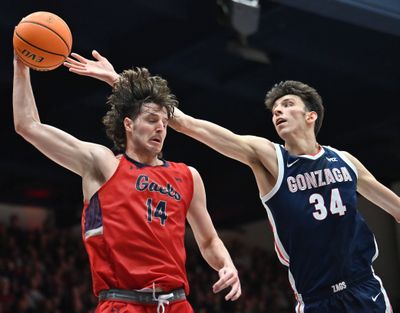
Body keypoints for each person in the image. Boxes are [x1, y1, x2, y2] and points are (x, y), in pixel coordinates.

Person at [63, 50, 400, 313]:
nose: (278, 112)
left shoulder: (345, 161)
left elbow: (394, 208)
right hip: (317, 297)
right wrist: (117, 82)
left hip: (365, 287)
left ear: (311, 115)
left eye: (287, 105)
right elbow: (186, 123)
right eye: (274, 109)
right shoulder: (268, 157)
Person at [13, 52, 241, 313]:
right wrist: (21, 65)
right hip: (121, 303)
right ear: (129, 125)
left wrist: (226, 263)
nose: (161, 129)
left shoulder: (188, 176)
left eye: (165, 124)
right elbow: (27, 125)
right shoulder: (103, 164)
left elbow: (209, 241)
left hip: (176, 304)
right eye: (152, 120)